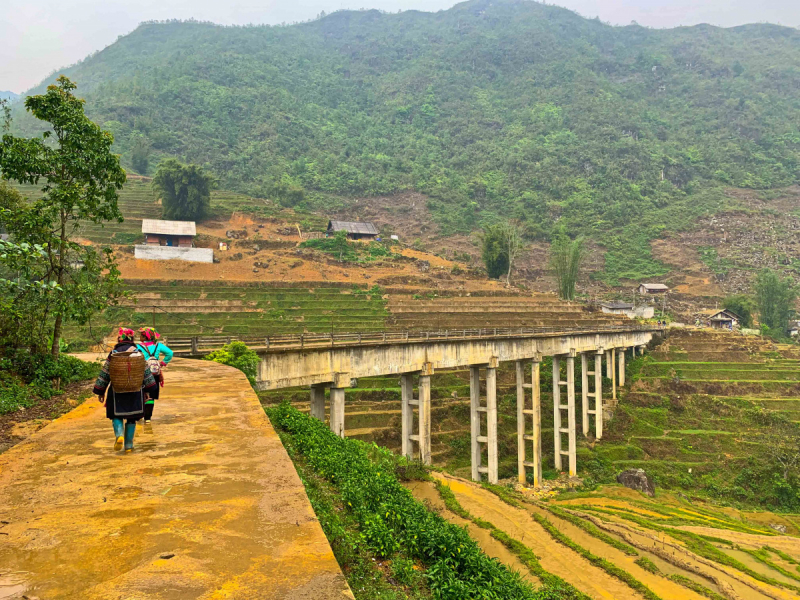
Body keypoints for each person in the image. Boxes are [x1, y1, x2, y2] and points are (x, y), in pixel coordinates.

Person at [93, 328, 159, 452]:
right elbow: (145, 372)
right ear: (132, 339)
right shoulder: (138, 352)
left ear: (119, 339)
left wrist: (100, 390)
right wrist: (149, 390)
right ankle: (129, 446)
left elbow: (105, 373)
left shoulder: (114, 353)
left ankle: (119, 435)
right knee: (131, 418)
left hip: (117, 390)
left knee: (116, 415)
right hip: (135, 390)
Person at [137, 327, 173, 424]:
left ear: (144, 337)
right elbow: (170, 353)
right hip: (154, 374)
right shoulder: (158, 345)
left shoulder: (138, 347)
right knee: (151, 395)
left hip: (142, 374)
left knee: (141, 393)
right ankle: (148, 418)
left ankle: (140, 414)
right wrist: (162, 363)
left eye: (141, 335)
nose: (139, 336)